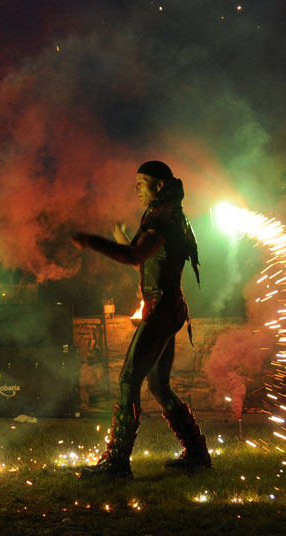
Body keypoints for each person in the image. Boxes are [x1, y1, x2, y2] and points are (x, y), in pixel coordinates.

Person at [71, 160, 209, 479]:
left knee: (128, 379)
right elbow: (143, 264)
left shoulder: (166, 216)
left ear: (159, 184)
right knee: (158, 385)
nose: (136, 187)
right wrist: (122, 237)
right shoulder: (164, 213)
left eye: (142, 181)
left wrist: (92, 241)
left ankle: (117, 462)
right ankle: (197, 454)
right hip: (167, 308)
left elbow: (135, 257)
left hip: (163, 310)